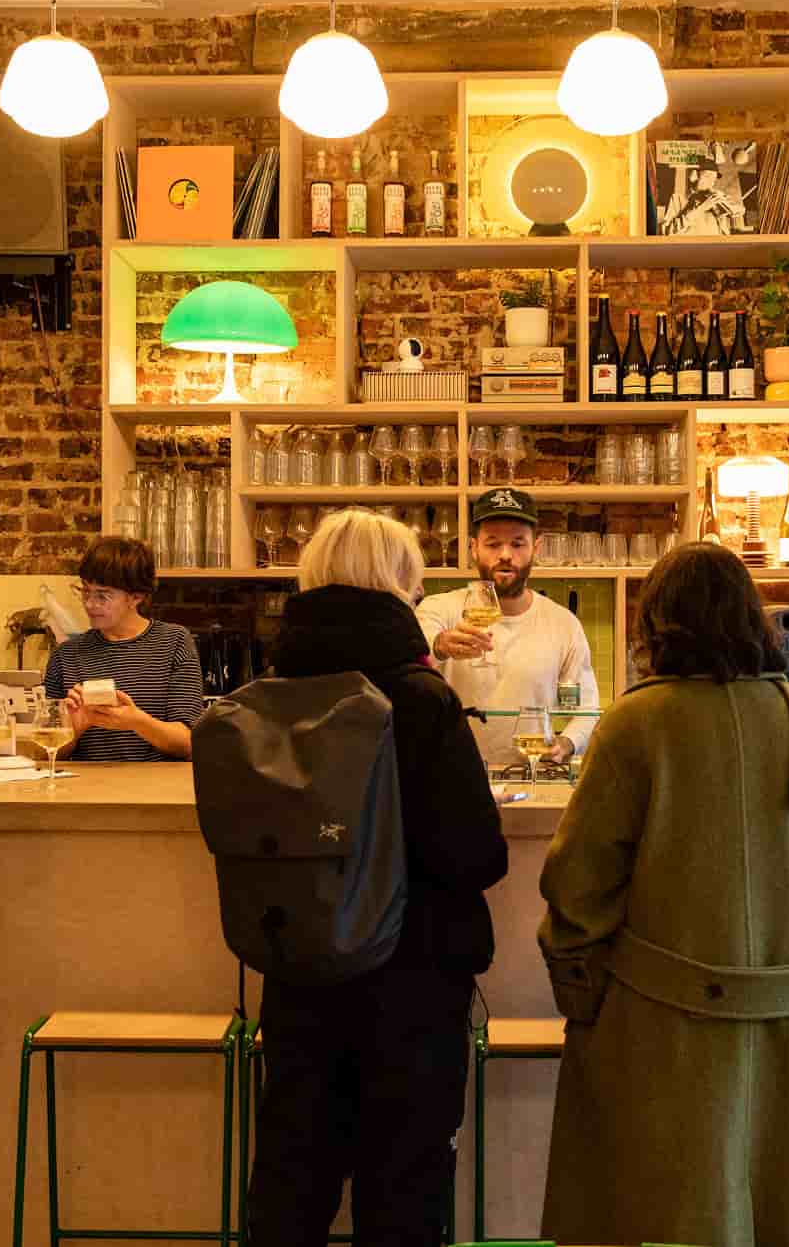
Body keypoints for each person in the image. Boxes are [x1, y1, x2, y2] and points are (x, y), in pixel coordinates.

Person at [538, 542, 789, 1247]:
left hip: (657, 1038)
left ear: (658, 623)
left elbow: (575, 884)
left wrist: (580, 996)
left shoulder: (636, 723)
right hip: (786, 1041)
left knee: (643, 1216)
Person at [246, 509, 507, 1247]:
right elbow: (475, 854)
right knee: (404, 1188)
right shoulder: (420, 699)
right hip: (412, 980)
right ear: (399, 585)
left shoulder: (271, 693)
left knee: (292, 1177)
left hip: (298, 970)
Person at [414, 487, 600, 770]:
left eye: (517, 543)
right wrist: (441, 645)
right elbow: (419, 649)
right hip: (452, 775)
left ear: (535, 548)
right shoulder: (440, 609)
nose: (505, 555)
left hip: (531, 774)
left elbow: (587, 708)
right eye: (492, 544)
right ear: (473, 547)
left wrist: (567, 743)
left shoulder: (563, 624)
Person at [43, 536, 204, 761]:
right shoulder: (66, 655)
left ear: (136, 597)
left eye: (103, 595)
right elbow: (44, 755)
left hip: (158, 791)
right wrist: (75, 728)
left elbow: (188, 744)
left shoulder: (174, 642)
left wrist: (136, 721)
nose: (90, 604)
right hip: (86, 790)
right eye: (85, 591)